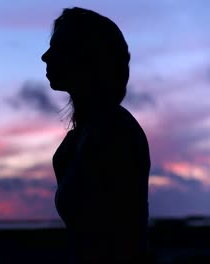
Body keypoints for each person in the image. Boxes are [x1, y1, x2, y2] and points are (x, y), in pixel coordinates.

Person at [41, 7, 151, 263]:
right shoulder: (90, 131)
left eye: (57, 47)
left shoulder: (113, 131)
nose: (45, 57)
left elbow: (114, 240)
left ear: (85, 56)